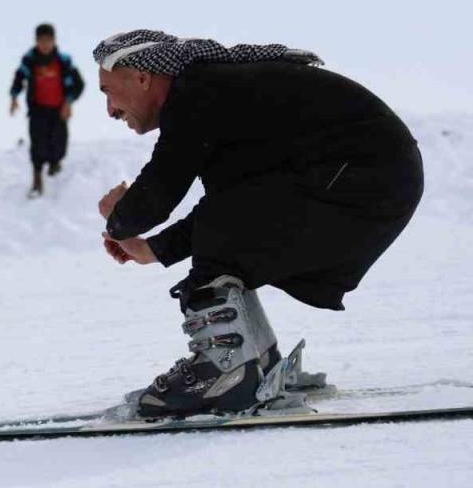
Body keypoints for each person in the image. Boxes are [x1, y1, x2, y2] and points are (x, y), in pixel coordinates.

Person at [93, 29, 423, 418]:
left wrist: (118, 217)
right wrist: (154, 249)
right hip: (374, 179)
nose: (110, 110)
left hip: (361, 176)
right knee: (230, 227)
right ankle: (256, 365)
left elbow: (162, 188)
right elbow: (234, 205)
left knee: (225, 236)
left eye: (107, 92)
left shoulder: (198, 90)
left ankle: (226, 373)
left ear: (142, 77)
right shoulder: (217, 93)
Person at [10, 24, 84, 196]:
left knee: (59, 142)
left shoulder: (64, 61)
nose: (45, 44)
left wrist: (68, 102)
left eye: (48, 40)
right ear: (36, 41)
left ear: (54, 41)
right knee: (37, 143)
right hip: (37, 109)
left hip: (59, 110)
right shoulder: (29, 60)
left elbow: (78, 84)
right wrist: (14, 97)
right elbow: (19, 78)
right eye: (41, 40)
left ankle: (55, 163)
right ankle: (37, 179)